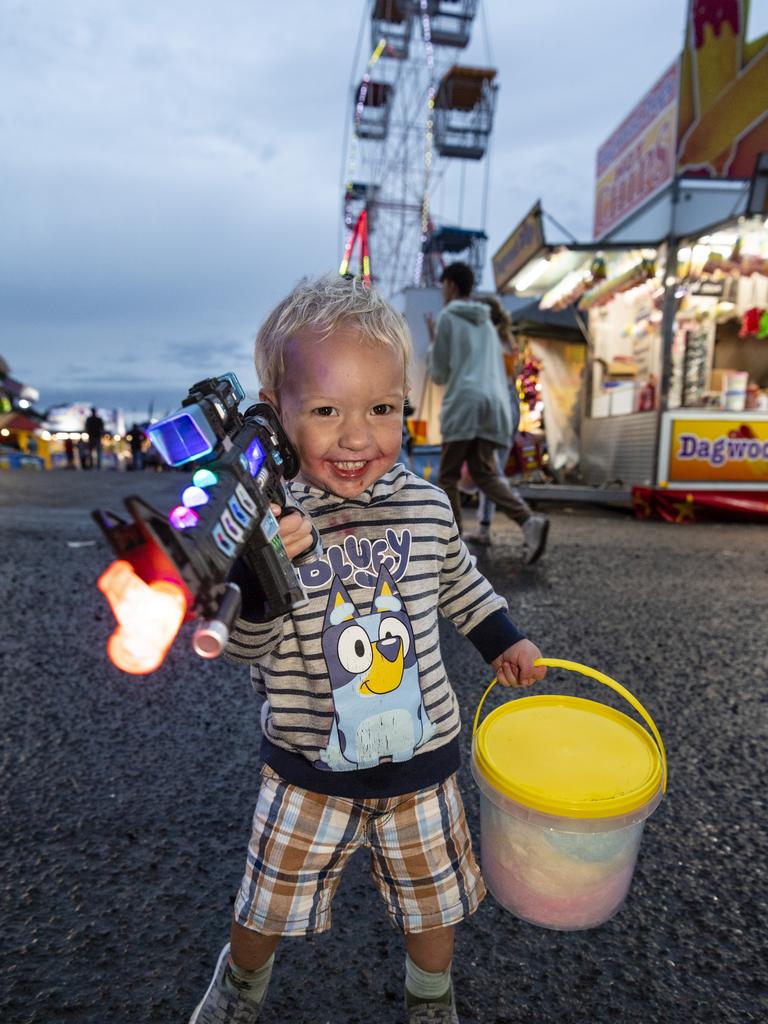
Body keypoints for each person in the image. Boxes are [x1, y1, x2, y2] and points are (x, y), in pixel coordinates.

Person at [188, 273, 547, 1024]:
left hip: (422, 765)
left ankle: (431, 997)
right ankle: (240, 986)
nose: (358, 437)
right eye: (325, 411)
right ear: (276, 416)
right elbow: (244, 647)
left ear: (407, 410)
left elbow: (459, 584)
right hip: (306, 769)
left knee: (433, 902)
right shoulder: (270, 524)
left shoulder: (427, 505)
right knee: (266, 903)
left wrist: (502, 639)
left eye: (381, 409)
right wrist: (262, 577)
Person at [426, 262, 549, 564]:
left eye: (444, 286)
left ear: (451, 286)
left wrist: (433, 347)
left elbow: (440, 374)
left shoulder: (448, 318)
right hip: (493, 406)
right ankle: (528, 521)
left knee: (449, 477)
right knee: (484, 472)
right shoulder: (487, 325)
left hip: (465, 404)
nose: (443, 292)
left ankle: (452, 548)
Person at [470, 295, 524, 547]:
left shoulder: (488, 339)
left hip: (496, 406)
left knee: (490, 472)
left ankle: (527, 520)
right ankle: (486, 525)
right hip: (511, 403)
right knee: (493, 469)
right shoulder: (506, 339)